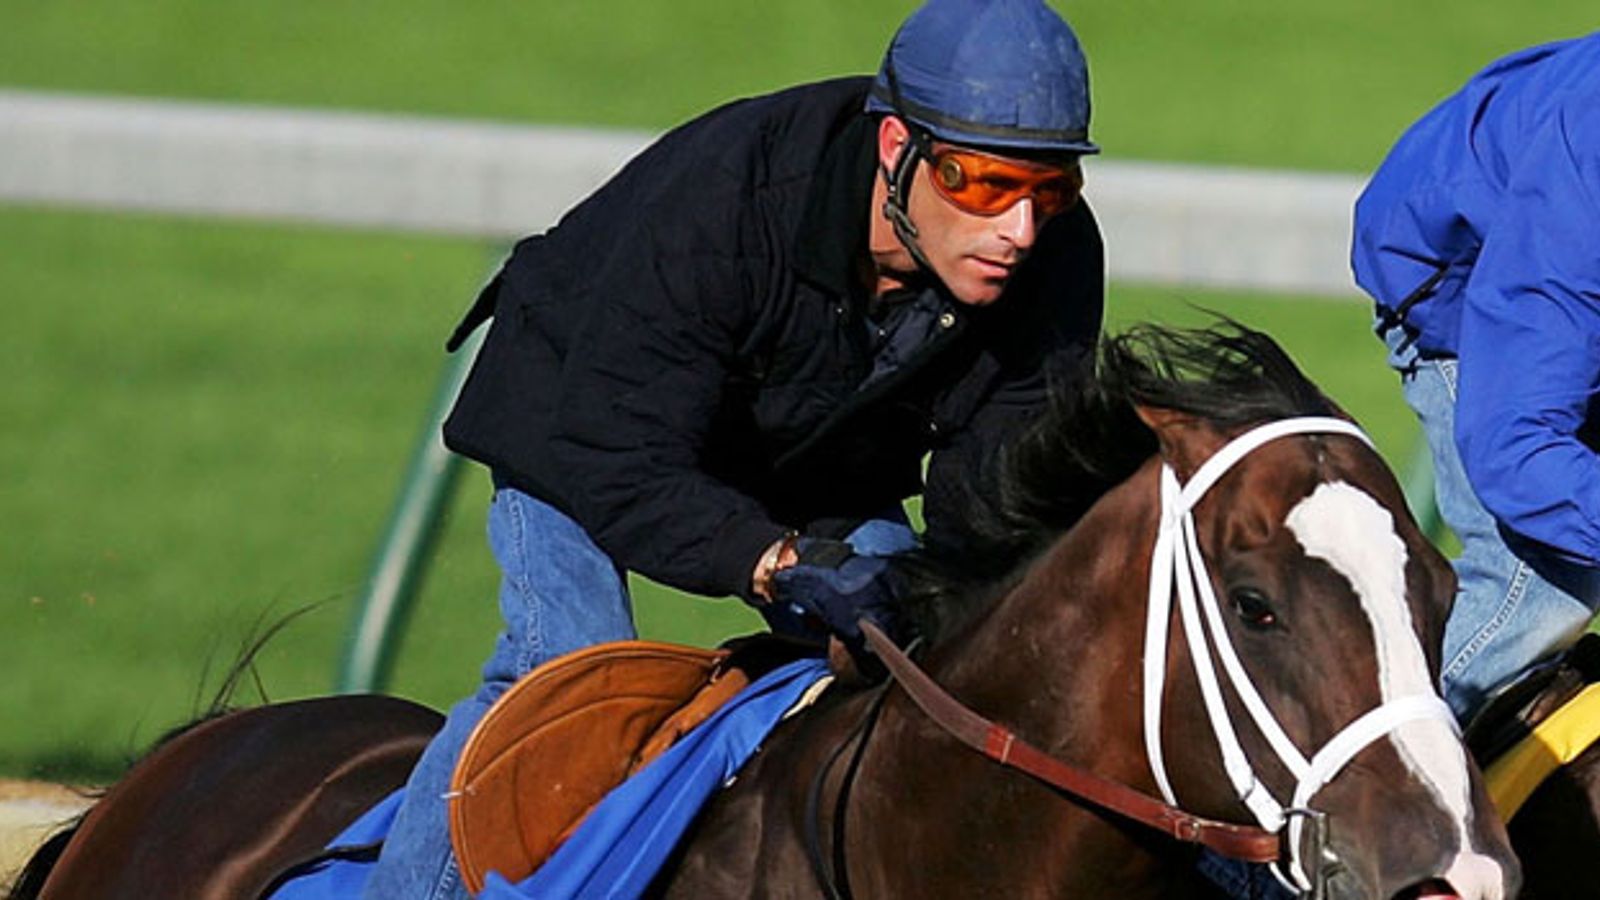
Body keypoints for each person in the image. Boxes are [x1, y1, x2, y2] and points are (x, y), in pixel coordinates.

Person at [361, 1, 1107, 896]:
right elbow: (621, 459)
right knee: (565, 685)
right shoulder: (730, 200)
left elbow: (996, 500)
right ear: (895, 149)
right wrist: (775, 561)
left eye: (1050, 190)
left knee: (922, 668)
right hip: (591, 422)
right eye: (983, 185)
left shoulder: (1056, 259)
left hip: (809, 451)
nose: (1019, 231)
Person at [1352, 33, 1600, 725]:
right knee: (1546, 584)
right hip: (1460, 290)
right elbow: (1516, 445)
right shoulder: (1582, 185)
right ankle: (1351, 782)